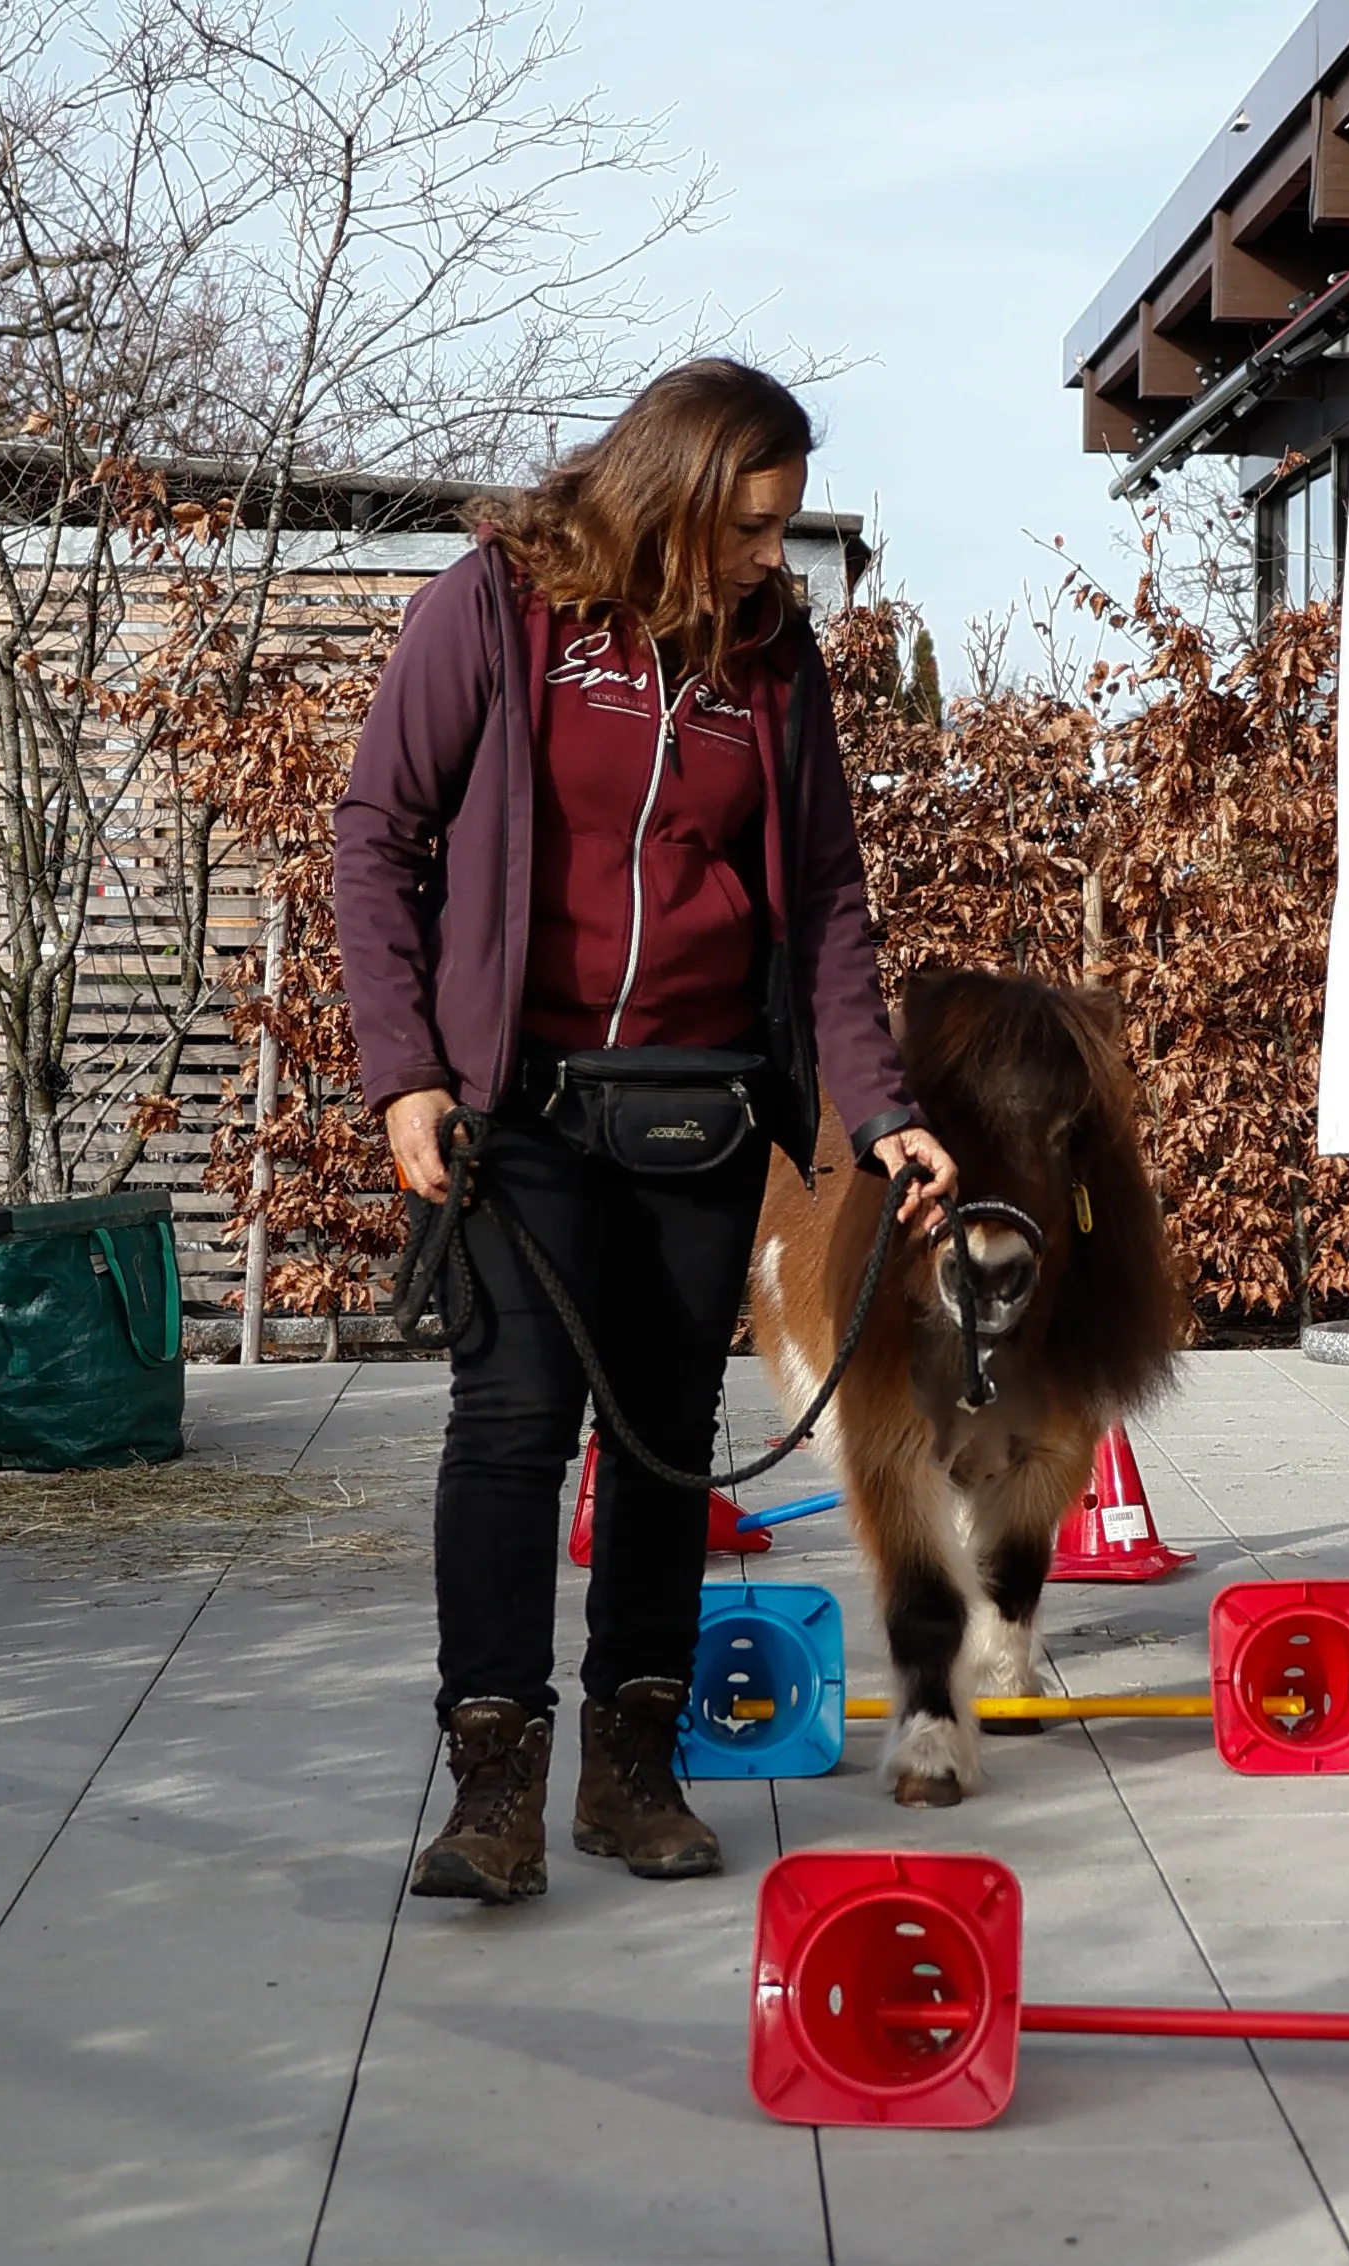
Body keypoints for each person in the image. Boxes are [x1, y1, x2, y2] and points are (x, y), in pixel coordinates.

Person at [334, 358, 957, 1906]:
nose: (768, 555)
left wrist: (880, 1107)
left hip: (697, 1106)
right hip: (513, 1105)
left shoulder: (774, 661)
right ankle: (492, 1785)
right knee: (509, 1427)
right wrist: (404, 1068)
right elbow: (379, 833)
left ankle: (632, 1769)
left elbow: (826, 900)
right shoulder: (497, 608)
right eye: (746, 525)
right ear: (666, 496)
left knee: (666, 1444)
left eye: (781, 526)